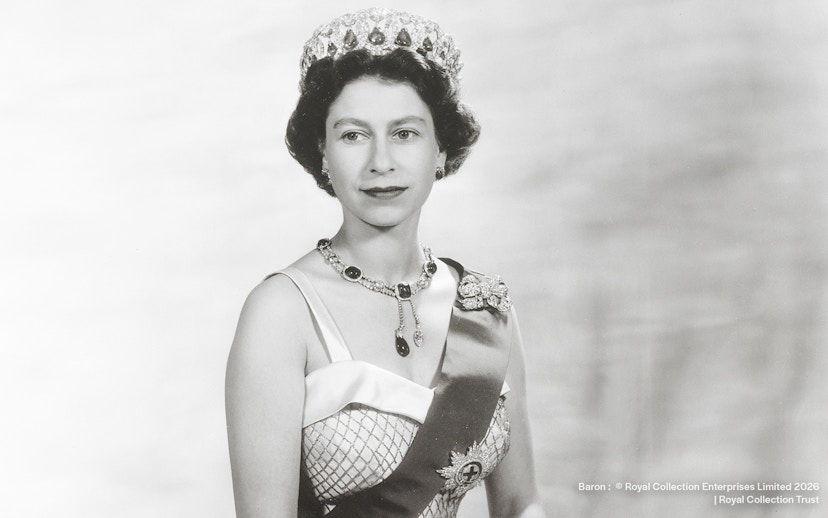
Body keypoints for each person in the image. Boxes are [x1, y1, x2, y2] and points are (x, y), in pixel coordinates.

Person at [225, 8, 546, 518]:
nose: (381, 161)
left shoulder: (486, 310)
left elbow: (520, 505)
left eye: (405, 133)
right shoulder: (281, 313)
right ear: (323, 155)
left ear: (441, 148)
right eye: (353, 134)